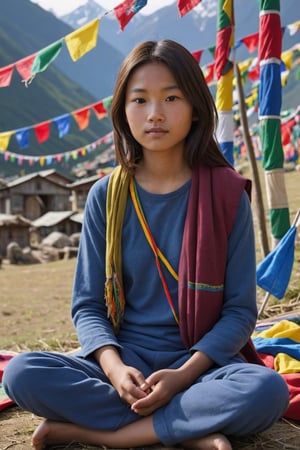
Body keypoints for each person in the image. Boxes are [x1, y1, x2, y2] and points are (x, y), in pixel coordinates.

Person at [3, 39, 289, 450]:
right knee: (23, 373)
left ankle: (107, 435)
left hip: (200, 365)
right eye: (140, 100)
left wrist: (184, 377)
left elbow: (239, 311)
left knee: (266, 391)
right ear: (123, 111)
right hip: (125, 364)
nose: (155, 114)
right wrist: (116, 369)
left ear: (194, 108)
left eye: (171, 97)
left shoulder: (227, 194)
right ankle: (185, 430)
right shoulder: (107, 195)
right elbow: (87, 305)